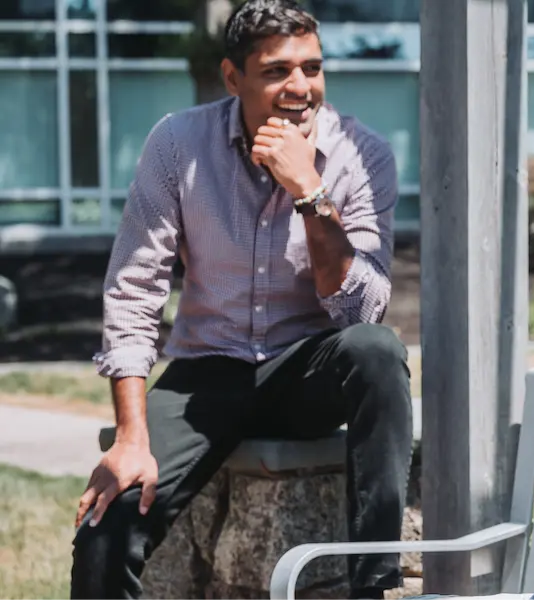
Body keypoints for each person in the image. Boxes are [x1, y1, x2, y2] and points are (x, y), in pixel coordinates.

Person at [71, 2, 412, 599]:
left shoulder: (363, 154)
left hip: (306, 370)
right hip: (208, 374)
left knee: (377, 351)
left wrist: (309, 191)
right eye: (277, 71)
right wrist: (130, 436)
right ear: (233, 78)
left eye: (312, 68)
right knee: (106, 524)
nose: (300, 88)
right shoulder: (178, 142)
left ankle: (373, 586)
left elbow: (361, 312)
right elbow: (134, 286)